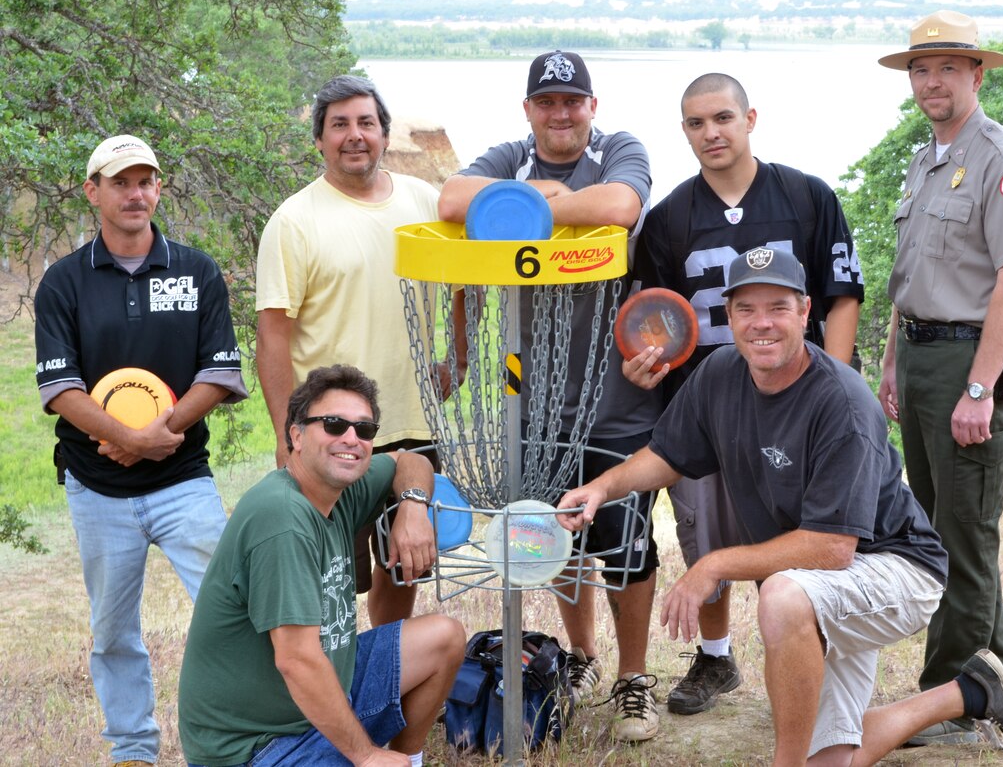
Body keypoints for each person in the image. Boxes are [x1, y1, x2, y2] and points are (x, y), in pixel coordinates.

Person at [558, 247, 1003, 761]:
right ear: (728, 315)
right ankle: (973, 691)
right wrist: (603, 487)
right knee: (828, 759)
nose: (762, 324)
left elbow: (832, 548)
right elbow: (667, 455)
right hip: (821, 581)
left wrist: (713, 565)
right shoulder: (720, 373)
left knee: (781, 597)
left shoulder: (842, 402)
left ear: (806, 312)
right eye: (746, 309)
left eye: (778, 307)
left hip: (896, 568)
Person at [622, 72, 865, 716]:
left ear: (751, 118)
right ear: (684, 132)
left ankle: (818, 659)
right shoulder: (671, 216)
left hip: (798, 400)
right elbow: (652, 319)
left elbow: (842, 297)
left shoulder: (806, 196)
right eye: (697, 124)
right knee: (706, 534)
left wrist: (832, 385)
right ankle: (716, 654)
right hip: (708, 408)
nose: (712, 133)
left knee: (806, 539)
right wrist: (645, 366)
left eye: (723, 118)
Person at [438, 49, 663, 741]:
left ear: (591, 106)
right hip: (527, 399)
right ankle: (583, 658)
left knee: (624, 544)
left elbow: (621, 206)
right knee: (554, 535)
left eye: (572, 101)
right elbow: (449, 201)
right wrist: (559, 206)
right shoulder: (508, 153)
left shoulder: (618, 148)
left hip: (617, 398)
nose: (560, 113)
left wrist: (522, 207)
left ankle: (633, 679)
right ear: (528, 108)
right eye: (546, 102)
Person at [33, 134, 248, 766]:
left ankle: (246, 736)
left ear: (159, 189)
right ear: (92, 191)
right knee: (113, 631)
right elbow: (59, 385)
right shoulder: (63, 282)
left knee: (231, 606)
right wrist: (128, 440)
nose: (135, 194)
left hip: (184, 479)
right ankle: (133, 749)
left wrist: (158, 438)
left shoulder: (197, 269)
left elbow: (219, 372)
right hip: (96, 489)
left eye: (146, 181)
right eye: (121, 182)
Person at [876, 10, 1003, 746]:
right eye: (921, 68)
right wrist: (889, 360)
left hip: (966, 361)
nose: (931, 81)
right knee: (944, 528)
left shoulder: (1002, 158)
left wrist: (980, 388)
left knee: (961, 537)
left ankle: (951, 703)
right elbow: (909, 276)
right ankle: (998, 677)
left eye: (948, 67)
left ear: (977, 74)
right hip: (918, 355)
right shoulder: (925, 159)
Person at [179, 364, 464, 767]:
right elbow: (296, 660)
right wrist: (365, 756)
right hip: (258, 746)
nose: (351, 438)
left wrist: (413, 507)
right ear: (295, 435)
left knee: (445, 637)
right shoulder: (281, 518)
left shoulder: (339, 489)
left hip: (325, 691)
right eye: (333, 425)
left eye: (364, 430)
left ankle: (405, 760)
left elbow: (407, 460)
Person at [256, 75, 461, 628]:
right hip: (331, 429)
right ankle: (331, 690)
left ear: (384, 134)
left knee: (405, 566)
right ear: (319, 140)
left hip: (413, 423)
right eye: (339, 125)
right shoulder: (294, 221)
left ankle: (386, 679)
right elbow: (273, 335)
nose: (354, 136)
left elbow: (471, 281)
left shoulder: (424, 203)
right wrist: (285, 436)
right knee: (333, 578)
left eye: (366, 123)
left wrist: (457, 358)